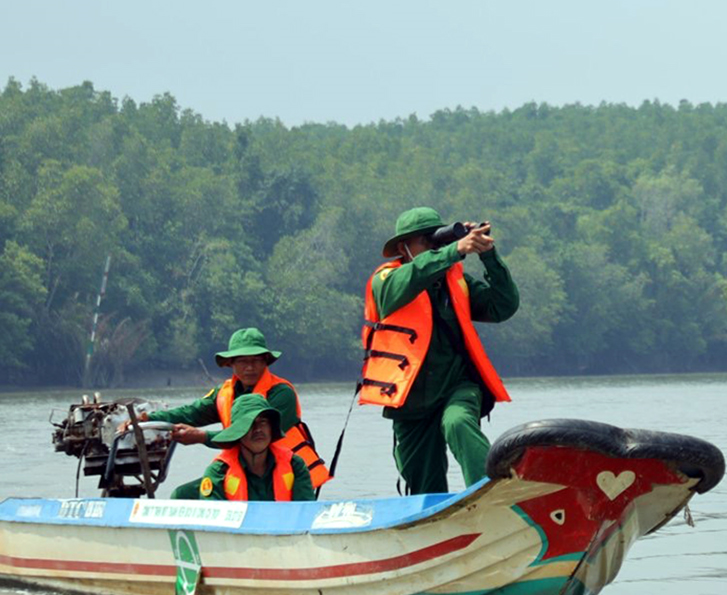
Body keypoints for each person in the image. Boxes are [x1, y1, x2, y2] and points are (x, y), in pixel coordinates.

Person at [359, 207, 518, 494]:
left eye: (437, 239)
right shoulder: (385, 281)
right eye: (425, 240)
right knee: (424, 485)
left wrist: (488, 255)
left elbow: (502, 306)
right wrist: (453, 250)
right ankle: (439, 517)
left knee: (458, 423)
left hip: (456, 386)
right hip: (409, 400)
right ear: (403, 248)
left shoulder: (454, 281)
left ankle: (492, 491)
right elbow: (413, 276)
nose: (434, 246)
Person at [119, 326, 332, 491]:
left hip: (286, 475)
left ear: (266, 362)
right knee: (182, 494)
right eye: (243, 361)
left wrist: (201, 437)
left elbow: (251, 436)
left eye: (256, 361)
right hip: (245, 471)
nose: (250, 367)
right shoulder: (224, 393)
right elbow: (191, 413)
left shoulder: (282, 393)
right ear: (230, 364)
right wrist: (146, 418)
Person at [192, 394, 317, 501]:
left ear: (271, 428)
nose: (258, 429)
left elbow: (306, 511)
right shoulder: (218, 472)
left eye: (263, 422)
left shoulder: (295, 465)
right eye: (250, 423)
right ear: (238, 433)